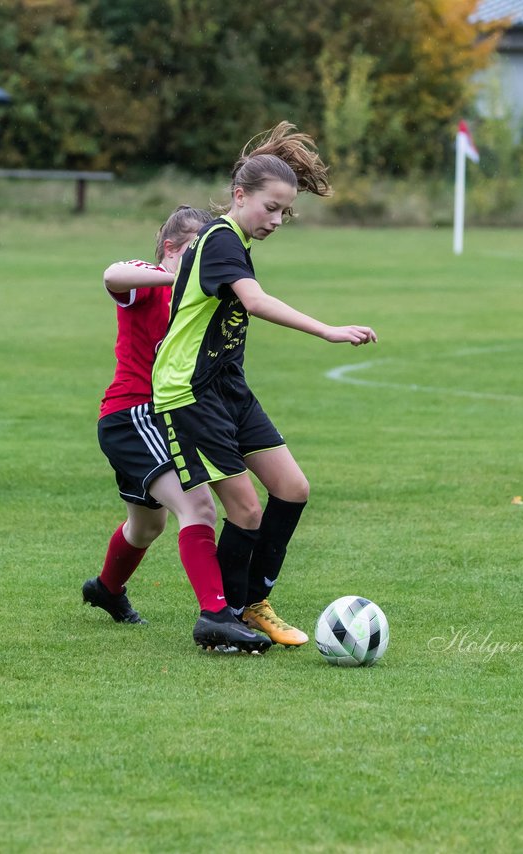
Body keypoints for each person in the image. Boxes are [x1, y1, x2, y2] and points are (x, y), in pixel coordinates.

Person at [150, 122, 377, 647]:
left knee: (293, 488)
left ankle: (252, 604)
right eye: (270, 207)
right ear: (239, 195)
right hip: (190, 391)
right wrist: (327, 329)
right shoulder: (220, 239)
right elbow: (254, 301)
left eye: (284, 212)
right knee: (246, 508)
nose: (276, 220)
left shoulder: (234, 243)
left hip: (227, 386)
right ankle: (221, 617)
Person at [83, 205, 272, 654]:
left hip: (173, 413)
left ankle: (106, 589)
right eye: (195, 252)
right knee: (199, 508)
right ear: (171, 250)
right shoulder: (151, 284)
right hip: (135, 415)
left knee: (146, 526)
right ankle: (216, 614)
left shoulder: (199, 298)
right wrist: (177, 275)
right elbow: (113, 275)